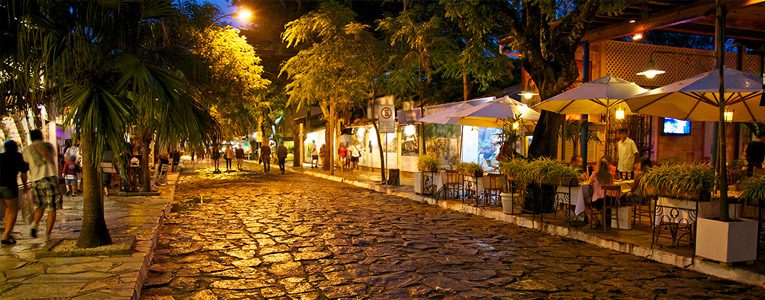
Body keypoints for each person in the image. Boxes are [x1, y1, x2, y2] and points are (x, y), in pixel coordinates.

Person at [22, 130, 61, 240]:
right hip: (49, 177)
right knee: (52, 207)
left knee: (40, 205)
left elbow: (26, 163)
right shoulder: (49, 146)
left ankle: (34, 225)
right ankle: (48, 234)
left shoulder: (26, 150)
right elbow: (51, 158)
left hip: (36, 180)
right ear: (41, 136)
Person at [0, 140, 29, 245]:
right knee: (13, 211)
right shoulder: (17, 156)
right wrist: (25, 186)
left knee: (8, 209)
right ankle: (5, 236)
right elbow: (24, 173)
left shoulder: (1, 156)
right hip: (9, 186)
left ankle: (8, 232)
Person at [585, 157, 616, 227]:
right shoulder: (610, 175)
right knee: (592, 202)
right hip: (610, 200)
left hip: (599, 201)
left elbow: (589, 183)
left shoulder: (594, 175)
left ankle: (594, 221)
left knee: (585, 203)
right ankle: (599, 221)